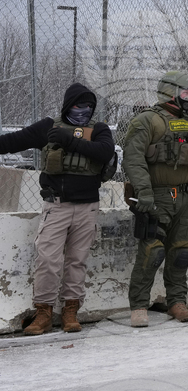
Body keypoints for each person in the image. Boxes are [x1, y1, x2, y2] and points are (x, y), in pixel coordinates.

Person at [0, 82, 115, 335]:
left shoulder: (98, 129)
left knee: (77, 261)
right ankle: (43, 313)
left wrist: (70, 141)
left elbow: (105, 151)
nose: (83, 110)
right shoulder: (48, 127)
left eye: (88, 106)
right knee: (48, 260)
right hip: (57, 205)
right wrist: (63, 137)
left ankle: (70, 311)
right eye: (78, 105)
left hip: (88, 207)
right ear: (67, 105)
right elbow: (12, 141)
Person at [122, 71, 188, 327]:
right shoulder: (147, 121)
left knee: (181, 253)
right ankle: (139, 306)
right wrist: (144, 192)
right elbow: (133, 158)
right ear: (170, 93)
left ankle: (177, 301)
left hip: (185, 198)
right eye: (186, 92)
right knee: (152, 252)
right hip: (157, 197)